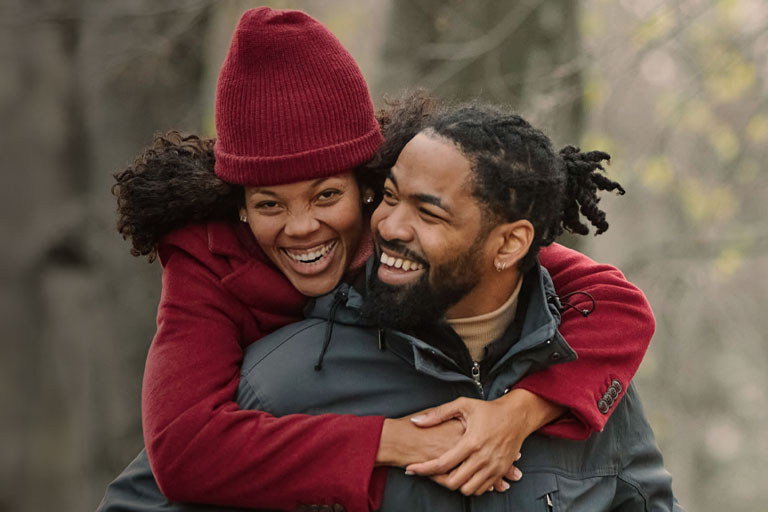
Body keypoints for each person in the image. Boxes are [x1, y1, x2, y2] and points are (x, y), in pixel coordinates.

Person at [102, 8, 655, 512]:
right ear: (239, 207)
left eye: (326, 196)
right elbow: (183, 451)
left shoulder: (399, 232)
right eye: (269, 204)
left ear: (367, 187)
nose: (300, 227)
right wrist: (389, 441)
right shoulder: (210, 268)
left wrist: (520, 412)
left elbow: (618, 305)